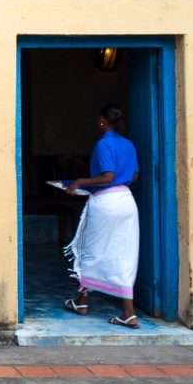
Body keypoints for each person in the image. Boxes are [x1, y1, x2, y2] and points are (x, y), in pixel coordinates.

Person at [62, 104, 141, 329]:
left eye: (99, 119)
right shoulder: (128, 144)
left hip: (106, 202)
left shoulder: (103, 144)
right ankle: (129, 313)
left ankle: (82, 302)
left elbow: (108, 177)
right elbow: (133, 176)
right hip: (126, 201)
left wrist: (78, 182)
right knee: (125, 255)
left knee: (91, 250)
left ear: (102, 121)